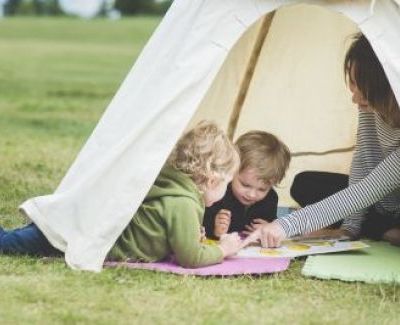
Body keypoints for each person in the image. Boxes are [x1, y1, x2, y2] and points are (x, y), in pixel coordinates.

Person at [0, 121, 245, 268]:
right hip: (76, 242)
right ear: (212, 179)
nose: (225, 191)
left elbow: (167, 233)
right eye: (226, 183)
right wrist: (223, 249)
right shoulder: (182, 202)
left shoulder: (170, 186)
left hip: (81, 230)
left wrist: (191, 234)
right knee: (8, 244)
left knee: (16, 238)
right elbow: (190, 257)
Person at [244, 33, 400, 248]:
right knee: (305, 183)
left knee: (356, 198)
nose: (355, 97)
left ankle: (382, 229)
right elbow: (363, 161)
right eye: (353, 83)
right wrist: (349, 228)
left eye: (364, 89)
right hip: (380, 203)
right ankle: (381, 229)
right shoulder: (369, 108)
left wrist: (284, 226)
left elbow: (370, 188)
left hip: (381, 195)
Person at [202, 131, 291, 239]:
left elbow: (272, 225)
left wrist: (268, 229)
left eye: (262, 189)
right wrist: (216, 230)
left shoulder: (270, 198)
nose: (252, 195)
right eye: (245, 185)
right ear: (232, 170)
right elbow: (197, 230)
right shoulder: (218, 193)